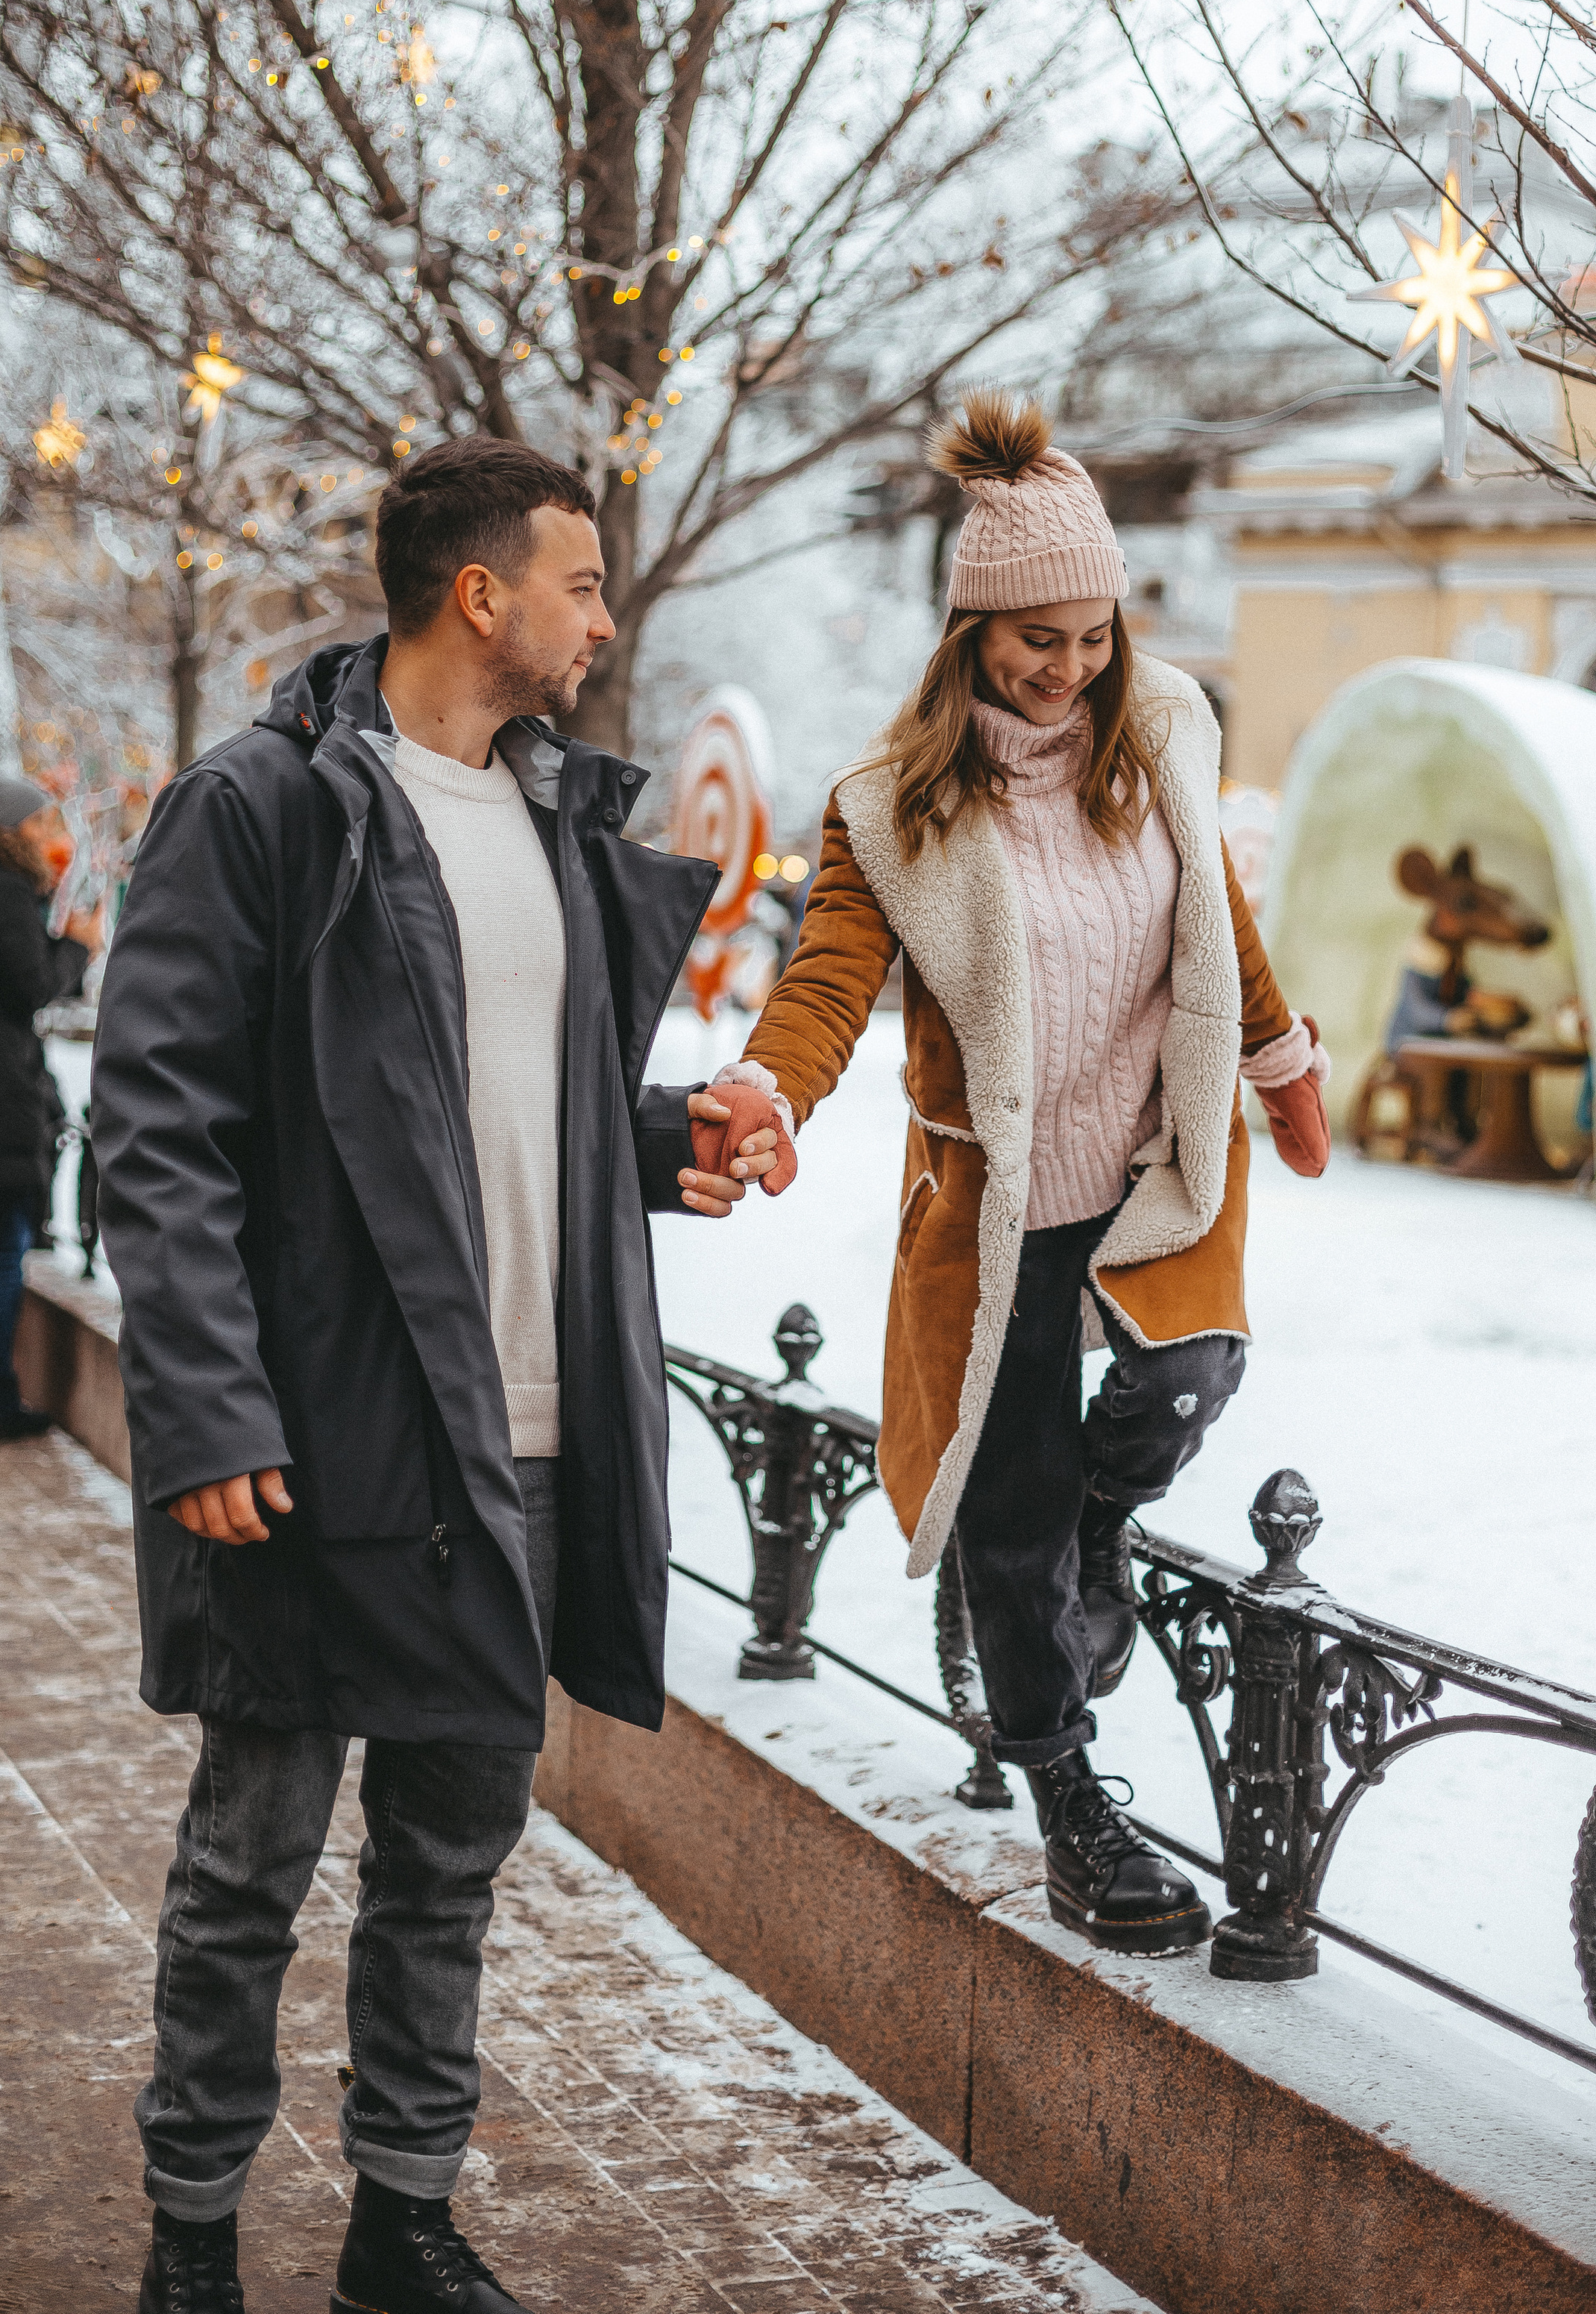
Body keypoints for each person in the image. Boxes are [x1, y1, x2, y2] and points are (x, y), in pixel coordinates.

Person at [91, 437, 784, 2314]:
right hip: (324, 1433)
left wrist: (660, 1136)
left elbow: (485, 1104)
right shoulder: (261, 809)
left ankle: (402, 2220)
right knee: (250, 1863)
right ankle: (192, 2236)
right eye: (579, 578)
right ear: (481, 591)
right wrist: (210, 1408)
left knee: (448, 1864)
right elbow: (160, 1130)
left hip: (525, 1438)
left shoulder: (549, 821)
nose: (602, 613)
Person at [731, 395, 1328, 1957]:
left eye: (1089, 633)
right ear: (970, 633)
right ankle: (1069, 1801)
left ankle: (1100, 1533)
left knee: (1185, 1380)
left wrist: (1277, 1061)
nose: (1065, 667)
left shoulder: (1163, 740)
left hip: (1147, 1177)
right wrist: (764, 1083)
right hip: (993, 1215)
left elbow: (1219, 927)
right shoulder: (893, 809)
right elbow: (823, 982)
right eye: (1032, 640)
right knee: (1006, 1514)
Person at [0, 773, 100, 1438]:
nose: (51, 838)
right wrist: (78, 945)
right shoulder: (8, 890)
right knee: (8, 1251)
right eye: (40, 825)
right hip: (5, 1101)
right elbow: (28, 986)